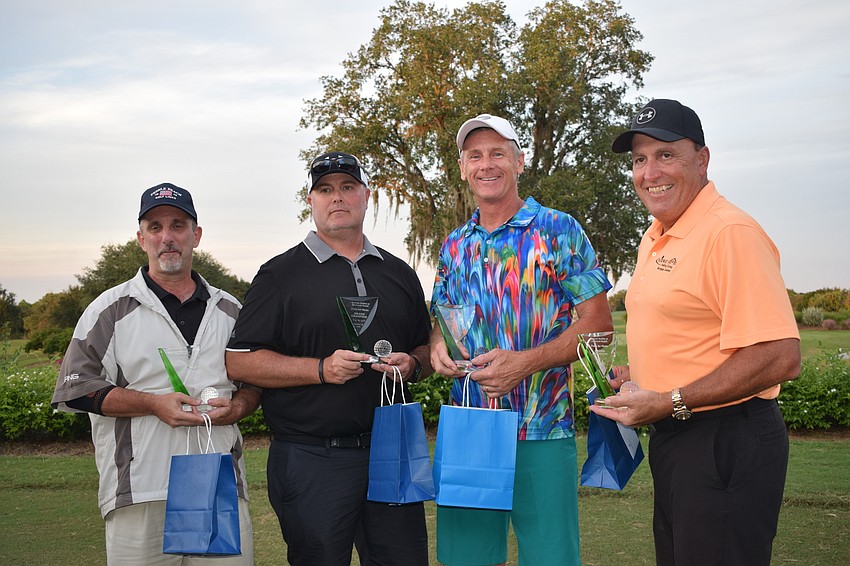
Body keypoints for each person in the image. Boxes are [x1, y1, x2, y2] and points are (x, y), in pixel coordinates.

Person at [594, 99, 802, 565]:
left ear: (702, 159)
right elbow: (688, 332)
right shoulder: (658, 232)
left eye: (666, 155)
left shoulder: (729, 232)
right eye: (639, 160)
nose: (650, 172)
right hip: (679, 438)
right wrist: (641, 375)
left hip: (726, 440)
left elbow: (779, 355)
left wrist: (669, 399)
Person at [225, 151, 433, 566]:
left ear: (366, 196)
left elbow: (424, 348)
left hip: (390, 449)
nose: (337, 197)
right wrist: (319, 370)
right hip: (312, 457)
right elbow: (240, 361)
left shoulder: (399, 272)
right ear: (311, 201)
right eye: (325, 190)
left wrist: (412, 363)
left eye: (347, 187)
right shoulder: (279, 274)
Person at [429, 114, 614, 566]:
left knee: (550, 557)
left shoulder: (559, 229)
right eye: (475, 155)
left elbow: (599, 327)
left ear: (519, 161)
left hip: (543, 427)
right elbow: (440, 319)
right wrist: (436, 346)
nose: (486, 164)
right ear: (461, 167)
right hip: (469, 427)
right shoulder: (454, 244)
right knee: (466, 559)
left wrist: (524, 363)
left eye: (498, 153)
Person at [51, 182, 260, 565]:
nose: (168, 237)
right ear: (141, 238)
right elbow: (75, 388)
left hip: (218, 484)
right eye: (155, 227)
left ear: (196, 235)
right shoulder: (109, 309)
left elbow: (253, 384)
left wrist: (240, 407)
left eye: (178, 225)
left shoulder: (232, 309)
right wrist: (152, 404)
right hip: (139, 490)